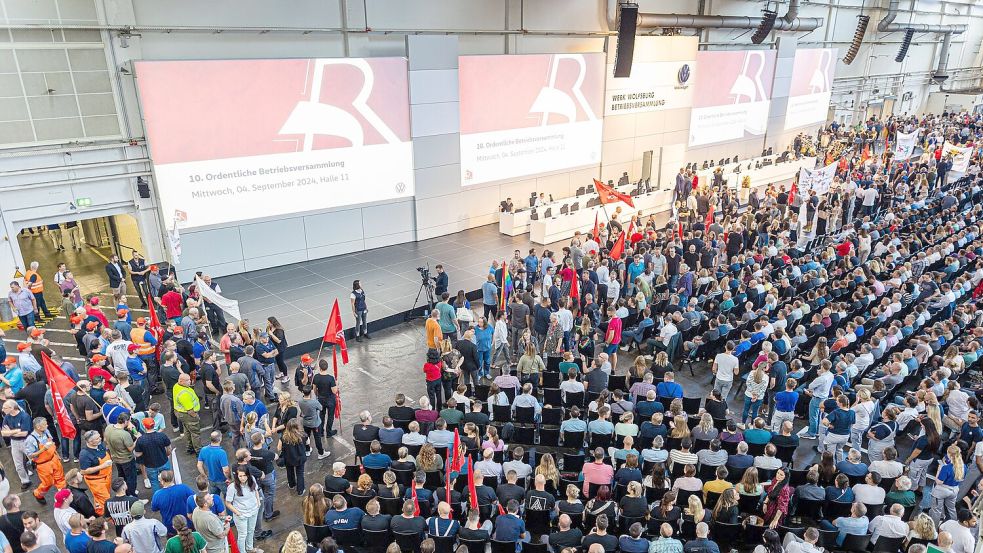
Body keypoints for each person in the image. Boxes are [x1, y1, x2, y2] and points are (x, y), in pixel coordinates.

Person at [24, 416, 64, 503]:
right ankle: (38, 494)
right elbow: (30, 456)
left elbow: (52, 443)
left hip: (54, 460)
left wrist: (56, 454)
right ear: (38, 427)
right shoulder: (30, 440)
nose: (47, 426)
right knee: (47, 483)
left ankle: (63, 497)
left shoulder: (46, 431)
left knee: (60, 479)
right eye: (45, 424)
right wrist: (43, 449)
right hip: (43, 465)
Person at [226, 467, 261, 553]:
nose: (242, 478)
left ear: (248, 475)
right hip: (241, 515)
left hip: (253, 511)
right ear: (237, 476)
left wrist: (258, 501)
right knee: (242, 535)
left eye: (244, 475)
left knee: (251, 530)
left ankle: (250, 548)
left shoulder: (252, 479)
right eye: (240, 476)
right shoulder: (232, 487)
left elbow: (256, 490)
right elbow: (228, 503)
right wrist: (238, 513)